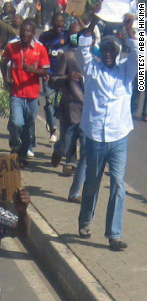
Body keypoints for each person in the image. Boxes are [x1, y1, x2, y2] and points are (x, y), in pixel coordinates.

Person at [76, 11, 137, 251]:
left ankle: (114, 234)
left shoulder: (127, 71)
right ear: (102, 51)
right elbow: (82, 49)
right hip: (94, 138)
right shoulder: (92, 69)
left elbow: (141, 52)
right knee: (92, 182)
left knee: (118, 185)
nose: (110, 53)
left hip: (119, 137)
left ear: (119, 52)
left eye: (113, 49)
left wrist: (131, 30)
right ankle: (84, 221)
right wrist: (90, 25)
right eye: (106, 49)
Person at [0, 18, 50, 168]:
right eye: (23, 31)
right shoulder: (12, 47)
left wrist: (33, 70)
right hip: (16, 93)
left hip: (32, 95)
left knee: (28, 127)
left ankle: (21, 155)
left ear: (33, 33)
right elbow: (3, 62)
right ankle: (14, 145)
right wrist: (6, 77)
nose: (25, 33)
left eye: (28, 31)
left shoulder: (40, 49)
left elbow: (45, 71)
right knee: (16, 123)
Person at [49, 21, 85, 186]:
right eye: (72, 33)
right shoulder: (66, 55)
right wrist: (67, 78)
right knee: (66, 142)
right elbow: (53, 80)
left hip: (88, 108)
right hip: (70, 105)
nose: (75, 37)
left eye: (79, 33)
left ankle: (71, 164)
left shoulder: (92, 55)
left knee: (82, 142)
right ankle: (58, 150)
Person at [39, 13, 69, 144]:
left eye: (62, 21)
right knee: (50, 103)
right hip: (49, 75)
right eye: (57, 21)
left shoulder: (68, 36)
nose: (59, 24)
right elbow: (39, 54)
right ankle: (53, 129)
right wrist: (42, 70)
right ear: (52, 22)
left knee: (62, 105)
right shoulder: (45, 37)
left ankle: (58, 126)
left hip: (64, 76)